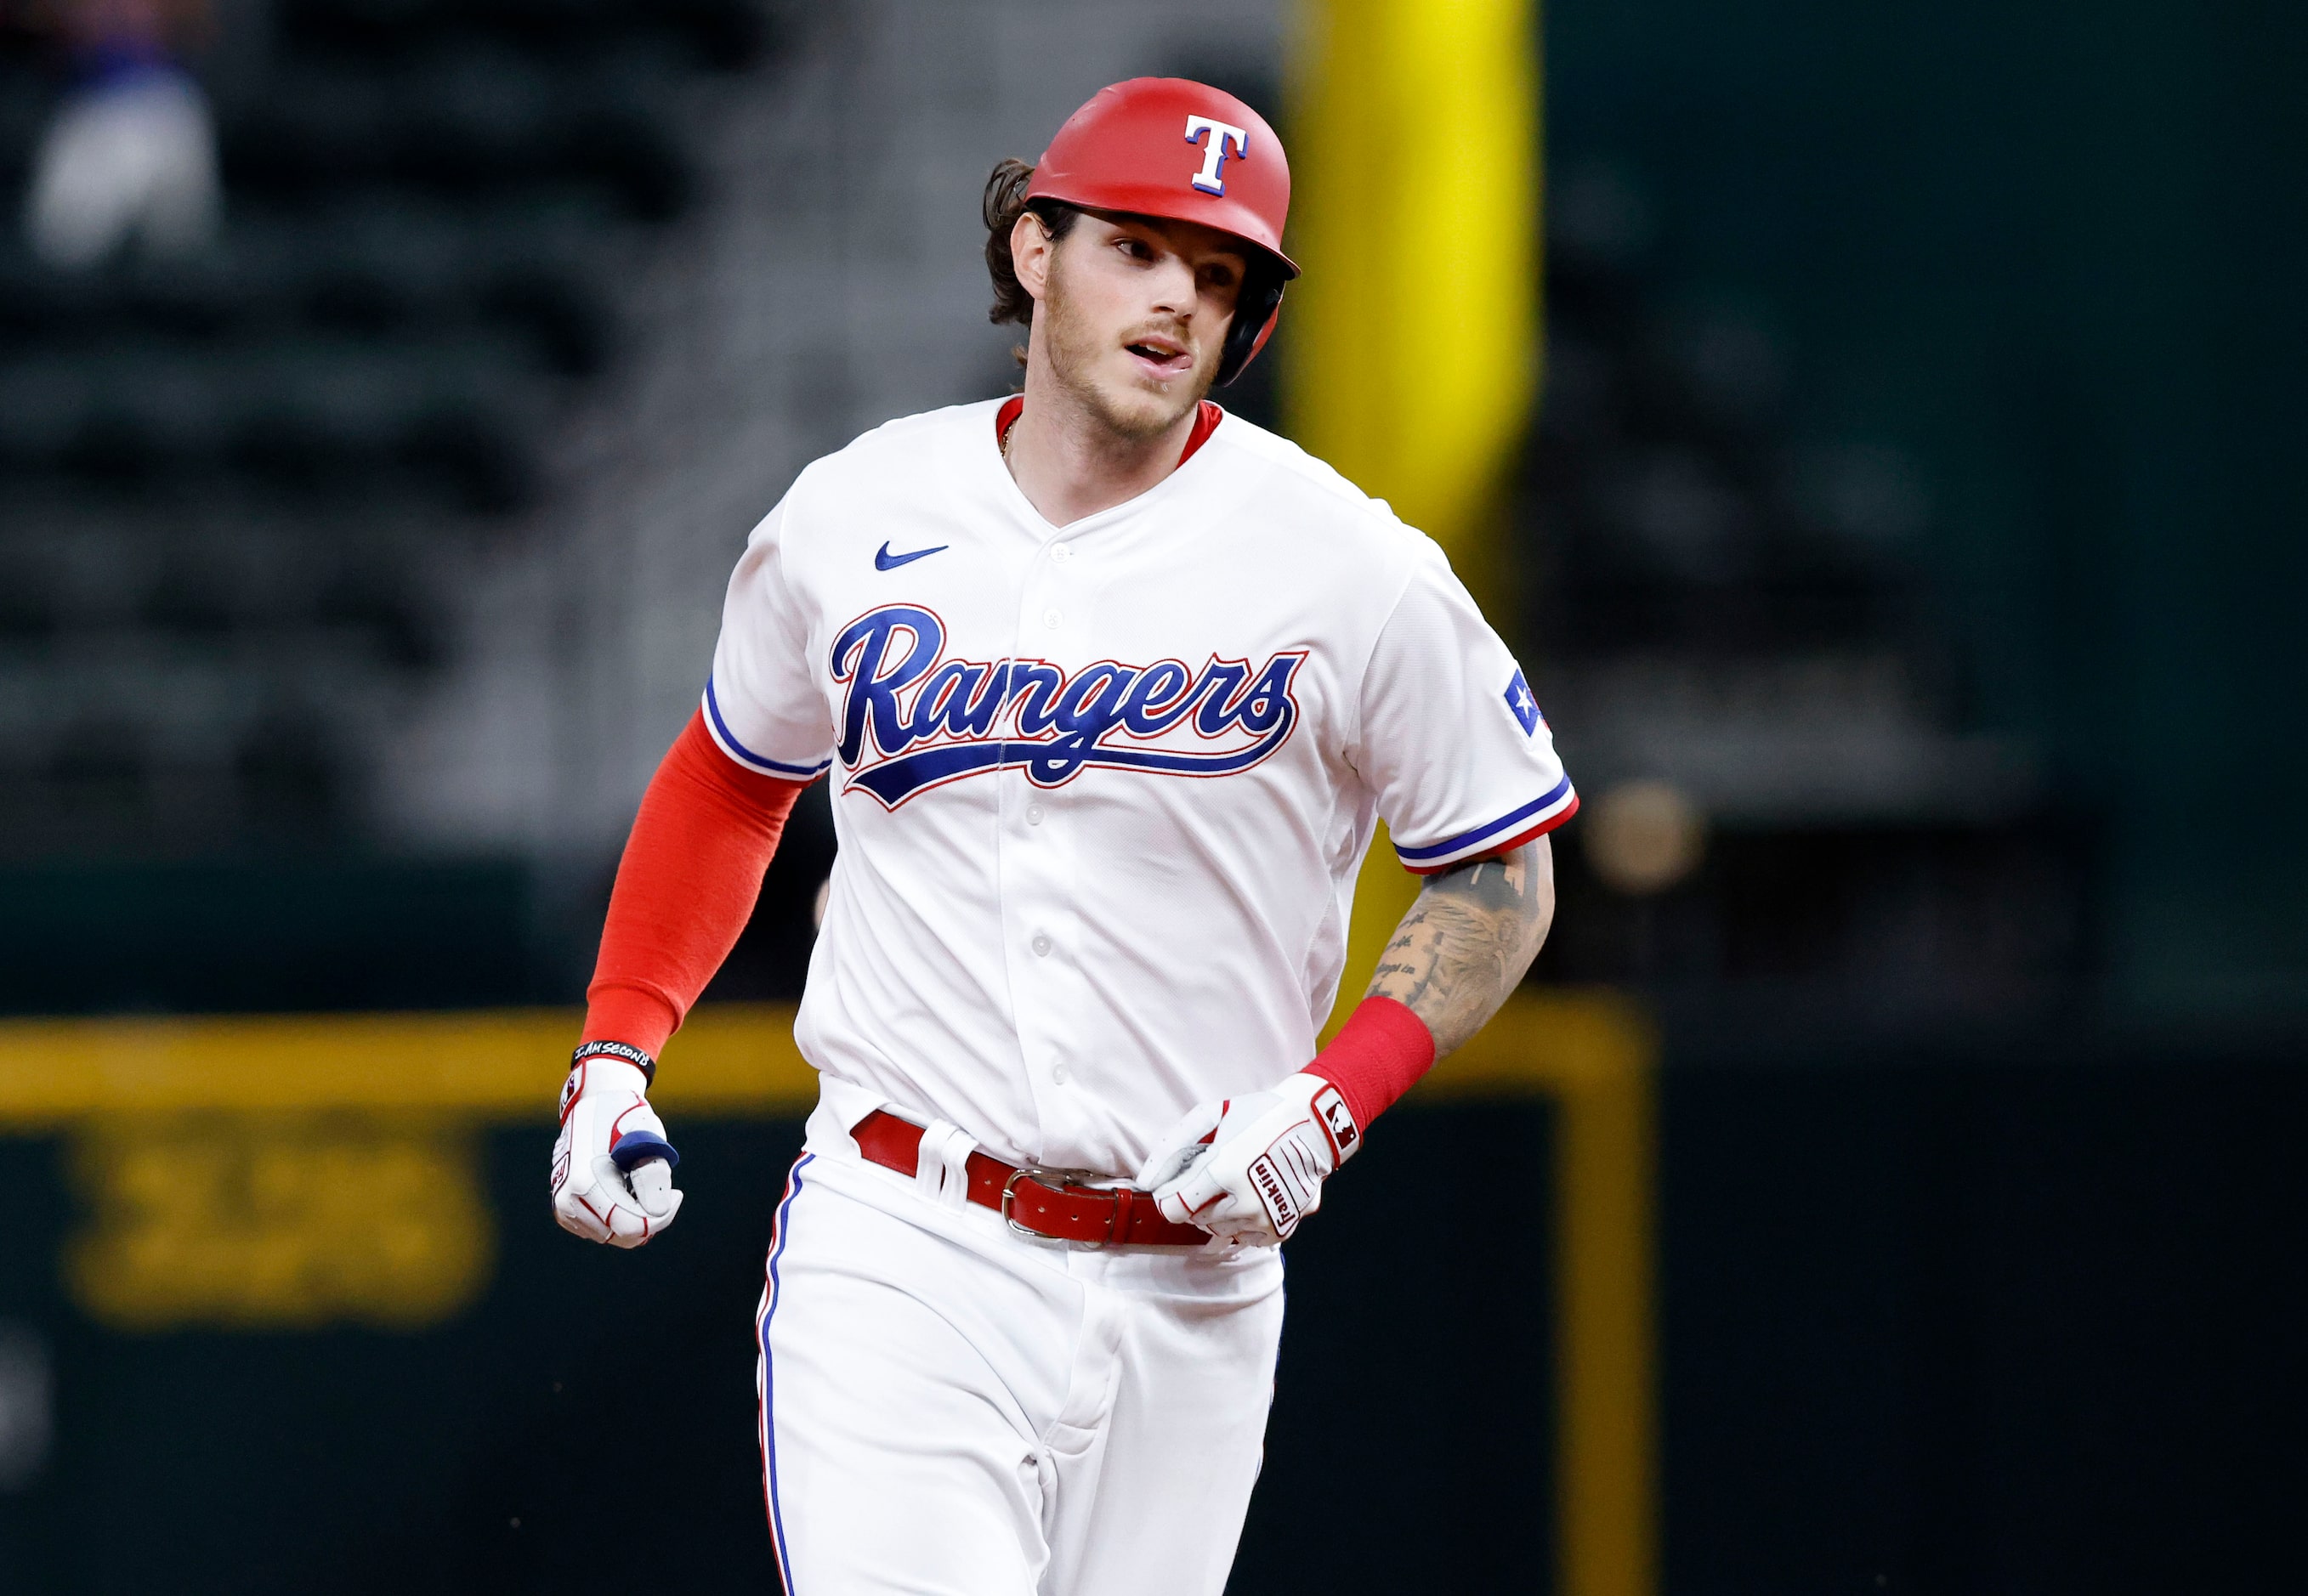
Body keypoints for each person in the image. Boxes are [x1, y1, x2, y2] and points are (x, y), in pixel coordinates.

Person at [548, 77, 1578, 1596]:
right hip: (910, 1232)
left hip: (1198, 1279)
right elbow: (729, 774)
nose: (1179, 298)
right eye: (1141, 248)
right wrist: (616, 1051)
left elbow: (1501, 863)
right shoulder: (856, 510)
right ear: (1034, 245)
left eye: (1220, 275)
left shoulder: (1350, 565)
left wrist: (1335, 1099)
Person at [19, 0, 220, 270]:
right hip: (88, 108)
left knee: (178, 259)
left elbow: (203, 28)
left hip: (165, 105)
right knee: (62, 253)